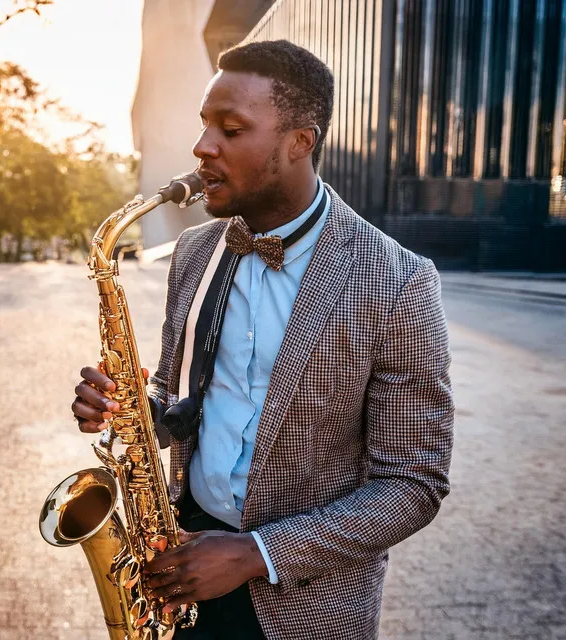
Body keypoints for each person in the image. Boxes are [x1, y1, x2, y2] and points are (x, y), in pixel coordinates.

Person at [72, 40, 454, 640]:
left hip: (306, 605)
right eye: (204, 124)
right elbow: (179, 398)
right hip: (179, 561)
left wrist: (257, 553)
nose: (202, 147)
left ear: (299, 142)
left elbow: (414, 481)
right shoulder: (196, 251)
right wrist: (131, 411)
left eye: (231, 128)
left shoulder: (397, 281)